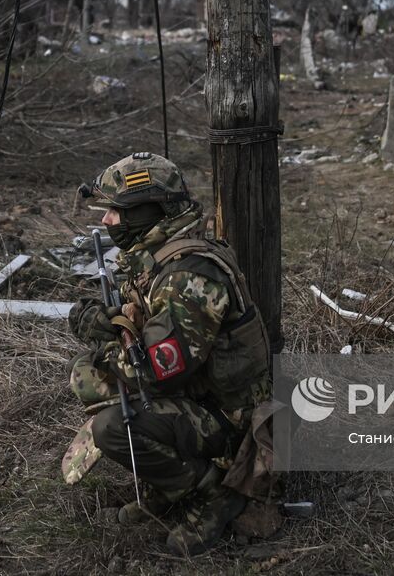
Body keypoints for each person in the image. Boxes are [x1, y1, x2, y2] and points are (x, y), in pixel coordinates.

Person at [61, 152, 272, 555]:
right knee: (85, 376)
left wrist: (104, 342)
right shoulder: (161, 254)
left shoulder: (187, 274)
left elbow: (157, 371)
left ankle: (214, 494)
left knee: (112, 427)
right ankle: (170, 482)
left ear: (150, 211)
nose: (106, 222)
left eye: (115, 212)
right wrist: (111, 321)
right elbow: (150, 327)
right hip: (201, 393)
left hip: (233, 420)